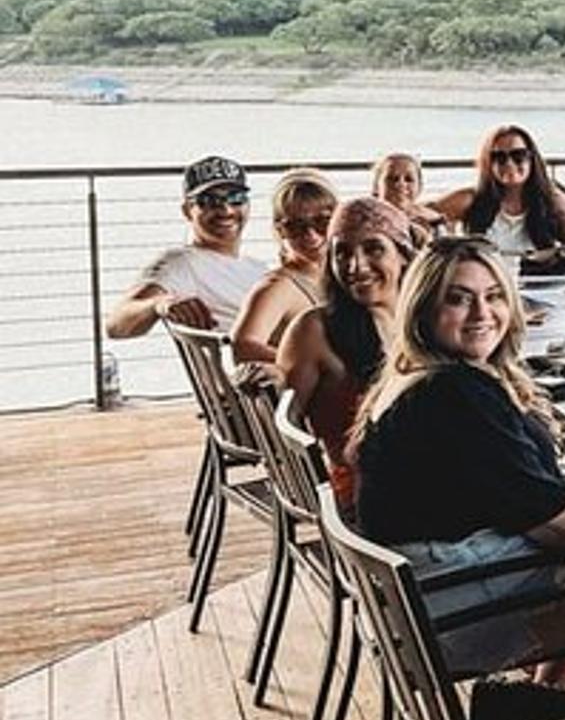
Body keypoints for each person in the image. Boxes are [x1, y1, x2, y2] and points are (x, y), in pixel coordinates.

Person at [350, 237, 565, 683]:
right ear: (422, 310)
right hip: (440, 613)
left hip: (411, 598)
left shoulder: (414, 376)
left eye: (494, 296)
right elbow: (550, 518)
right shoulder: (454, 394)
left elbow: (526, 496)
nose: (481, 313)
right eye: (458, 299)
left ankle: (553, 705)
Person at [277, 197, 416, 509]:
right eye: (342, 253)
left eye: (373, 249)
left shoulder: (426, 321)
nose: (356, 266)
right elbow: (286, 427)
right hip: (367, 495)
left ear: (403, 254)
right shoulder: (314, 329)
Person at [106, 155, 267, 339]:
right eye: (209, 201)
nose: (226, 210)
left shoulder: (258, 268)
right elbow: (116, 325)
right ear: (187, 211)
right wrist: (159, 304)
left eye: (236, 198)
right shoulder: (182, 263)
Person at [429, 125, 565, 276]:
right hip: (484, 284)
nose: (509, 163)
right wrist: (446, 241)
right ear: (488, 163)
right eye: (499, 157)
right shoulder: (472, 199)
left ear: (532, 159)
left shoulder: (552, 201)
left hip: (538, 286)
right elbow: (423, 213)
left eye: (518, 155)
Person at [230, 168, 337, 367]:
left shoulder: (340, 279)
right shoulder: (278, 287)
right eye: (295, 226)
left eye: (322, 222)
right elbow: (243, 347)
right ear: (280, 231)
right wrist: (313, 366)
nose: (311, 234)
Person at [370, 152, 445, 239]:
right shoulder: (364, 219)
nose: (400, 184)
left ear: (419, 187)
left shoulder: (434, 221)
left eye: (409, 179)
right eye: (392, 178)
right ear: (376, 186)